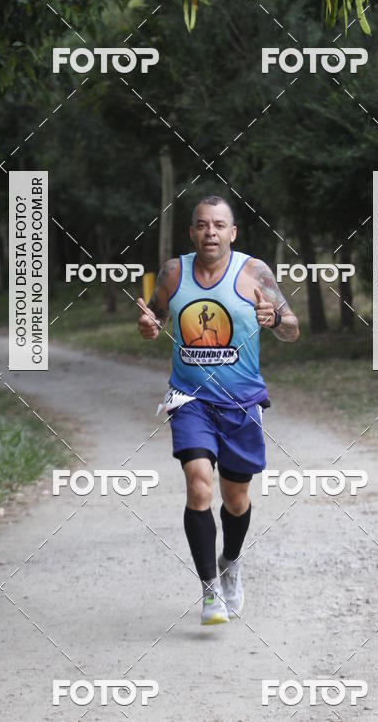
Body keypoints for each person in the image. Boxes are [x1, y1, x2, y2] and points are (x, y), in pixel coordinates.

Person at [137, 195, 299, 625]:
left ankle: (231, 561)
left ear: (232, 232)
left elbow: (292, 329)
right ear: (192, 232)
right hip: (191, 399)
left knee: (236, 499)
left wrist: (273, 320)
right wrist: (149, 326)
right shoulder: (174, 272)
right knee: (199, 486)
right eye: (202, 225)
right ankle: (209, 589)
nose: (211, 232)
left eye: (219, 225)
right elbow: (155, 318)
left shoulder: (254, 273)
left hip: (241, 403)